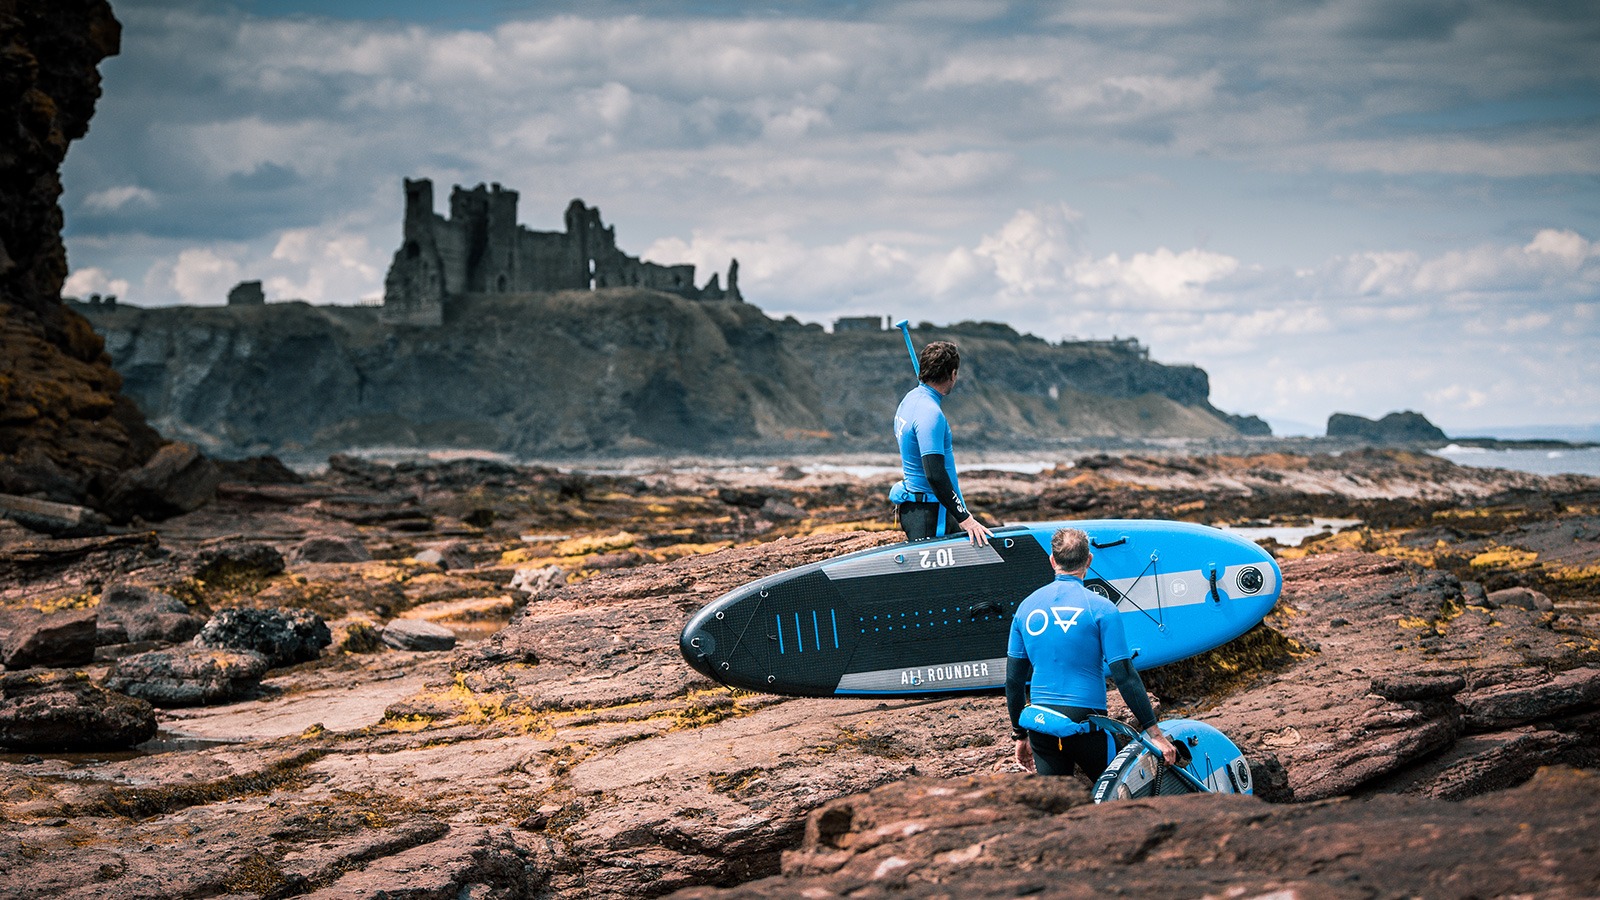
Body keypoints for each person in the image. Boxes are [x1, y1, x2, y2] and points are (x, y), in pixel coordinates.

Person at [1006, 527, 1179, 778]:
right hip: (1086, 727)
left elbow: (1013, 680)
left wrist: (1020, 735)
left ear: (1052, 561)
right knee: (1117, 800)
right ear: (1089, 560)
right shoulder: (1101, 609)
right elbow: (1125, 675)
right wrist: (1156, 735)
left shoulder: (1026, 608)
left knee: (1060, 804)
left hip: (1041, 727)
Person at [890, 340, 993, 545]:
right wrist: (966, 519)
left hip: (919, 508)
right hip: (931, 514)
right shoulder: (930, 414)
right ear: (953, 373)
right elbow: (935, 475)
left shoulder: (909, 400)